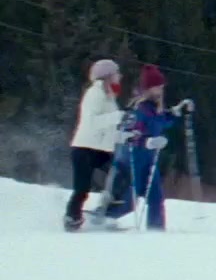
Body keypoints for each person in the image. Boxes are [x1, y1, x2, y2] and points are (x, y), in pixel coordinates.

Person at [124, 64, 192, 231]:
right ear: (148, 89)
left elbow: (161, 121)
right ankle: (104, 217)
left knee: (155, 196)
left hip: (150, 158)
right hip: (136, 158)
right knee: (130, 199)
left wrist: (177, 112)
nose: (160, 90)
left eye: (161, 87)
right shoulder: (140, 108)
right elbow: (131, 134)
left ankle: (156, 230)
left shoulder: (155, 108)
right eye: (157, 87)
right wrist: (147, 142)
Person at [65, 58, 125, 231]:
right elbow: (92, 122)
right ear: (107, 76)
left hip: (101, 149)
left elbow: (109, 127)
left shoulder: (109, 96)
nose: (120, 76)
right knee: (82, 187)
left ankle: (105, 214)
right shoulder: (94, 94)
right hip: (85, 147)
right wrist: (118, 116)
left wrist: (125, 136)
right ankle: (72, 218)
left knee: (119, 177)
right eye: (116, 73)